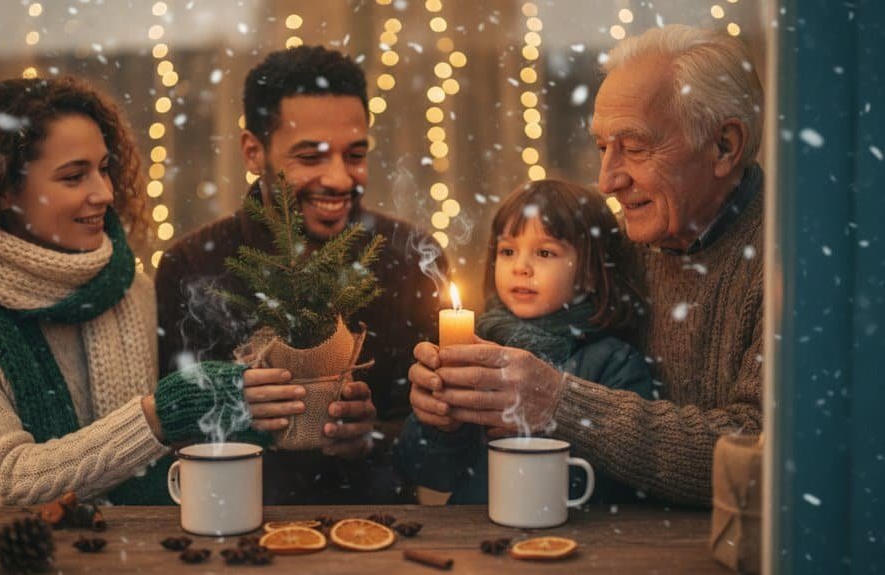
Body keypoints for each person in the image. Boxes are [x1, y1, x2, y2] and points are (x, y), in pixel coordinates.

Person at [407, 24, 765, 506]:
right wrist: (444, 415)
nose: (608, 179)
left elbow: (762, 455)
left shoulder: (789, 266)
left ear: (723, 146)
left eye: (634, 148)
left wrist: (561, 403)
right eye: (602, 147)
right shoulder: (613, 243)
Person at [155, 46, 447, 504]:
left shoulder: (409, 259)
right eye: (311, 157)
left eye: (355, 154)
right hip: (234, 524)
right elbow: (177, 432)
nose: (339, 179)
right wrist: (242, 412)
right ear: (253, 151)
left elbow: (441, 442)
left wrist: (373, 436)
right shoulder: (192, 267)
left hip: (380, 528)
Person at [0, 77, 262, 505]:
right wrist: (156, 416)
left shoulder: (132, 289)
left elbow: (191, 439)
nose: (105, 193)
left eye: (104, 169)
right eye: (74, 176)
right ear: (4, 189)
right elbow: (1, 482)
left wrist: (263, 408)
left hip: (150, 543)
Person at [396, 179, 654, 503]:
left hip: (564, 527)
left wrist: (549, 430)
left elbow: (624, 482)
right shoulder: (476, 350)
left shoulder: (612, 361)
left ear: (591, 270)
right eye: (507, 251)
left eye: (545, 252)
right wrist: (441, 426)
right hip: (471, 530)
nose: (520, 267)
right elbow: (427, 473)